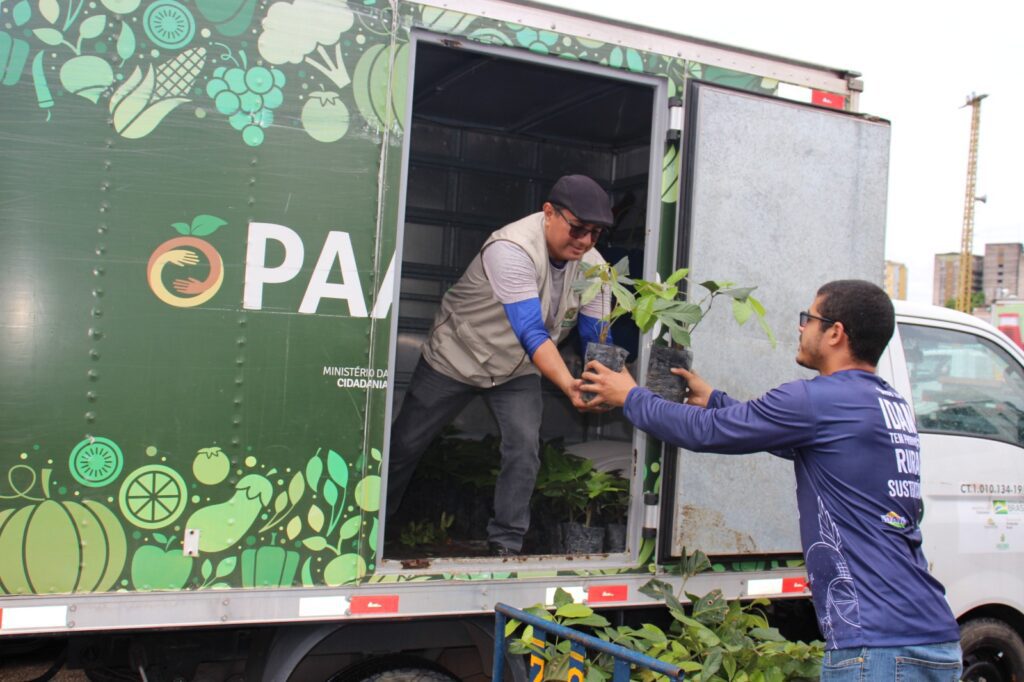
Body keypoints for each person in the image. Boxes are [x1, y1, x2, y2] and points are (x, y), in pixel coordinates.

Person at [580, 280, 962, 680]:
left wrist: (631, 396)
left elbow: (705, 433)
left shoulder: (816, 399)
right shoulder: (888, 404)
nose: (800, 327)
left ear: (835, 332)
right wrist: (717, 401)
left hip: (878, 644)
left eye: (809, 318)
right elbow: (784, 437)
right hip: (933, 636)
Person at [387, 174, 614, 556]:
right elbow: (530, 331)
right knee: (406, 442)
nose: (585, 241)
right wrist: (569, 386)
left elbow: (597, 340)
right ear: (548, 213)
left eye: (595, 233)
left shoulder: (594, 267)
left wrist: (605, 384)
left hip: (516, 369)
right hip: (457, 356)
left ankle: (506, 542)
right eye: (577, 229)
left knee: (524, 448)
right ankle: (373, 527)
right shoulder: (510, 248)